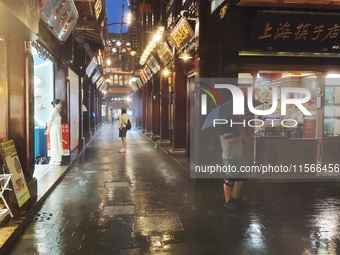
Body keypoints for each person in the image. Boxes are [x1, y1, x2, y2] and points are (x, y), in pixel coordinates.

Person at [220, 124, 246, 209]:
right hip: (230, 156)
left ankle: (235, 197)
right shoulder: (225, 125)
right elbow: (230, 139)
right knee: (229, 177)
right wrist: (241, 136)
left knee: (241, 176)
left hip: (237, 156)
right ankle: (228, 201)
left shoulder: (232, 123)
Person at [45, 99, 63, 165]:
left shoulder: (56, 111)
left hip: (57, 130)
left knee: (57, 143)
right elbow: (49, 121)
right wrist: (48, 129)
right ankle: (54, 160)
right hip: (54, 130)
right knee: (55, 144)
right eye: (60, 104)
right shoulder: (53, 111)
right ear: (56, 104)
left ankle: (56, 159)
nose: (61, 105)